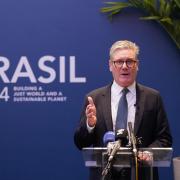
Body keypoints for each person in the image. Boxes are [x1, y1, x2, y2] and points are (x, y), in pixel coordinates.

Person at [74, 40, 172, 180]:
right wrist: (90, 125)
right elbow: (80, 142)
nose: (124, 66)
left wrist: (148, 153)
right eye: (119, 62)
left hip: (142, 174)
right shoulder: (94, 98)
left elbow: (164, 139)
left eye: (129, 61)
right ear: (110, 65)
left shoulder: (153, 97)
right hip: (104, 175)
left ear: (137, 65)